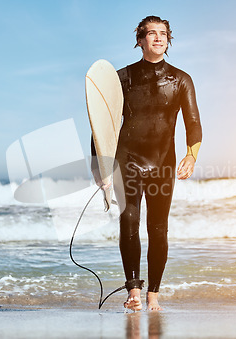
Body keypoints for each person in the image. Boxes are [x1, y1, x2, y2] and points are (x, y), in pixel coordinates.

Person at [92, 15, 202, 311]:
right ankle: (133, 291)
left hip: (162, 163)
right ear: (140, 40)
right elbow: (102, 124)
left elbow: (193, 123)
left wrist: (191, 155)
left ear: (168, 39)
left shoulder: (181, 80)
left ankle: (153, 292)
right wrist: (98, 167)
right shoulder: (122, 78)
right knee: (128, 223)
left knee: (158, 229)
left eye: (163, 34)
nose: (158, 38)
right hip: (126, 160)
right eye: (151, 34)